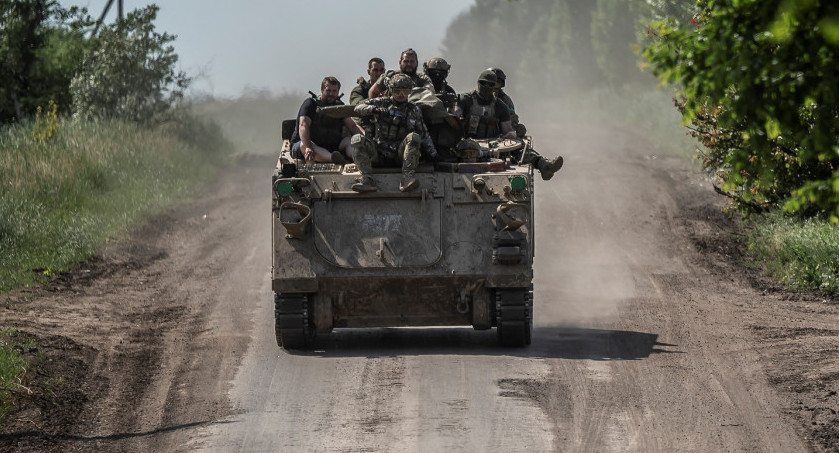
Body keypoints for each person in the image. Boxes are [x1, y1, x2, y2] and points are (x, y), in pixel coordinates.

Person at [456, 70, 564, 180]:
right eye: (483, 83)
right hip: (466, 142)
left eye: (491, 84)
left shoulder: (501, 105)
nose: (486, 87)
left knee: (518, 145)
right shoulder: (465, 100)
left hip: (493, 144)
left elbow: (507, 131)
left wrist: (513, 134)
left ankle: (544, 165)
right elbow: (454, 119)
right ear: (478, 82)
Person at [350, 74, 438, 193]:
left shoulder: (414, 110)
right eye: (397, 91)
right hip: (378, 152)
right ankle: (367, 180)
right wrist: (374, 109)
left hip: (400, 155)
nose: (401, 95)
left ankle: (407, 178)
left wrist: (434, 155)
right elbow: (358, 107)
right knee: (357, 139)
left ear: (410, 92)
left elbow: (424, 134)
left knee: (414, 137)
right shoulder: (381, 103)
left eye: (405, 91)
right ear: (391, 90)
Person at [290, 76, 364, 164]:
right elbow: (303, 125)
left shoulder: (339, 106)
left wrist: (366, 139)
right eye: (328, 90)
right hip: (306, 146)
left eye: (334, 91)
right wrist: (307, 147)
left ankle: (359, 157)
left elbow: (353, 126)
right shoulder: (310, 104)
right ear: (322, 90)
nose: (331, 94)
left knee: (350, 140)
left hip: (332, 147)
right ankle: (335, 159)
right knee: (305, 144)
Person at [368, 48, 435, 99]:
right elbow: (373, 92)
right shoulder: (389, 76)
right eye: (406, 61)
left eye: (412, 61)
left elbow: (430, 90)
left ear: (417, 63)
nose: (409, 64)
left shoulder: (422, 78)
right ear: (400, 62)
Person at [488, 67, 525, 136]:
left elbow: (512, 118)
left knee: (520, 129)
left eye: (497, 83)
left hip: (497, 134)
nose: (494, 86)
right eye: (491, 83)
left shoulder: (505, 100)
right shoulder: (473, 97)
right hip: (476, 133)